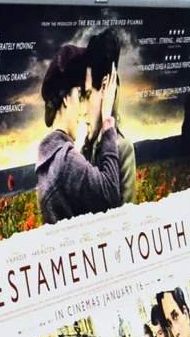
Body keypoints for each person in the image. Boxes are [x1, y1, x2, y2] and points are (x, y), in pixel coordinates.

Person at [35, 30, 135, 224]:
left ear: (106, 90)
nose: (83, 108)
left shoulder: (121, 148)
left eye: (86, 95)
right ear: (65, 98)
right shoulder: (70, 156)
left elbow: (126, 222)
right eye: (81, 96)